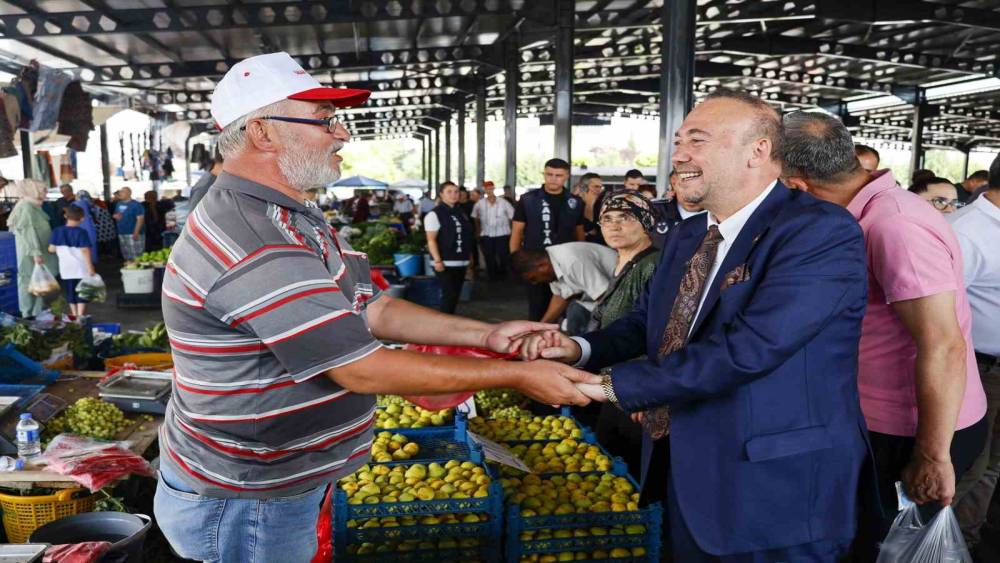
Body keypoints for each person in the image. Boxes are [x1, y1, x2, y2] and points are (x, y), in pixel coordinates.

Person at [153, 51, 598, 563]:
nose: (342, 135)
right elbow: (360, 368)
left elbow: (374, 311)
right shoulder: (252, 235)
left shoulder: (294, 216)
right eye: (324, 121)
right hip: (245, 495)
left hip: (278, 479)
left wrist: (486, 336)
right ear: (263, 133)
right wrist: (517, 376)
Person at [524, 89, 871, 562]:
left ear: (759, 151)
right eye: (679, 140)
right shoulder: (691, 233)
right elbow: (648, 319)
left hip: (772, 494)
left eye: (698, 140)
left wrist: (604, 386)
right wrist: (577, 348)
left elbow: (750, 349)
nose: (679, 154)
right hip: (683, 471)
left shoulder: (819, 232)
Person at [780, 111, 988, 563]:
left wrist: (932, 456)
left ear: (796, 185)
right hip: (885, 419)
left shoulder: (895, 226)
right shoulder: (865, 213)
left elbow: (943, 344)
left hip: (913, 429)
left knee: (883, 545)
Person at [589, 189, 661, 478]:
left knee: (629, 466)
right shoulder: (622, 262)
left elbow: (661, 332)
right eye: (607, 219)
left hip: (636, 389)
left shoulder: (653, 265)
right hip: (614, 381)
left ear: (646, 222)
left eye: (625, 217)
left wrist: (649, 391)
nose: (614, 226)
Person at [949, 153, 1000, 559]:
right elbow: (937, 315)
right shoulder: (965, 232)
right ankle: (915, 544)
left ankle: (960, 545)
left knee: (992, 467)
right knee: (968, 468)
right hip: (977, 370)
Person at [510, 158, 585, 320]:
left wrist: (581, 260)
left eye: (558, 175)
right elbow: (516, 231)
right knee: (537, 306)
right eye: (549, 174)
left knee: (564, 307)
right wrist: (515, 259)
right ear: (544, 174)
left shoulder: (575, 202)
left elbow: (579, 233)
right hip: (535, 262)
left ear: (566, 176)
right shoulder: (528, 200)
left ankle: (559, 341)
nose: (553, 178)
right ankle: (536, 339)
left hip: (565, 264)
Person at [511, 241, 616, 333]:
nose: (535, 283)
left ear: (542, 266)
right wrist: (540, 327)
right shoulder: (550, 262)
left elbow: (606, 298)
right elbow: (560, 297)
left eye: (533, 278)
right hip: (597, 299)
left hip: (619, 296)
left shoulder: (572, 261)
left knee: (584, 326)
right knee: (574, 321)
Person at [8, 179, 61, 317]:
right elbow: (28, 232)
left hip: (39, 254)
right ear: (32, 190)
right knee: (29, 283)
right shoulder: (26, 207)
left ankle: (38, 313)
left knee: (39, 284)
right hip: (33, 255)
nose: (46, 192)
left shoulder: (34, 206)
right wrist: (36, 254)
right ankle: (29, 314)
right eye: (43, 189)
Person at [425, 182, 471, 314]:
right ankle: (443, 324)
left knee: (455, 295)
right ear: (441, 194)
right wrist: (438, 260)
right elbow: (431, 240)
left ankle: (450, 321)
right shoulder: (435, 214)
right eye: (449, 192)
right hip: (444, 262)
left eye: (456, 192)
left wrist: (469, 259)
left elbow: (468, 237)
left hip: (461, 261)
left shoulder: (461, 212)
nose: (454, 195)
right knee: (449, 294)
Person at [48, 205, 95, 317]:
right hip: (80, 267)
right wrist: (90, 267)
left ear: (65, 216)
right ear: (82, 218)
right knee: (82, 291)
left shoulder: (57, 231)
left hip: (66, 268)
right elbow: (85, 250)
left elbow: (51, 249)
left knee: (70, 291)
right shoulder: (81, 232)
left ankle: (74, 314)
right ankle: (80, 314)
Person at [472, 180, 515, 280]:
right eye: (487, 189)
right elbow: (475, 217)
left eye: (491, 188)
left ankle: (503, 275)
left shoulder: (503, 202)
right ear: (484, 190)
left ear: (493, 189)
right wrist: (478, 231)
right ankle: (492, 277)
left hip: (503, 233)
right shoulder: (479, 204)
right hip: (486, 233)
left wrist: (513, 231)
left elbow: (512, 216)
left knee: (503, 255)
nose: (489, 190)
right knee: (489, 256)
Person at [112, 186, 145, 260]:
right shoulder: (119, 204)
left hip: (133, 233)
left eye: (122, 192)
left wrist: (136, 232)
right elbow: (117, 214)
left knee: (136, 254)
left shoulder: (136, 205)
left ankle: (137, 270)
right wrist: (116, 216)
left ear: (129, 193)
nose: (120, 193)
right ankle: (129, 269)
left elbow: (140, 219)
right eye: (120, 191)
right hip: (122, 232)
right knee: (126, 253)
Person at [578, 172, 605, 243]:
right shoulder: (574, 205)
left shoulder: (600, 206)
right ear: (584, 187)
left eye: (600, 187)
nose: (599, 190)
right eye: (596, 186)